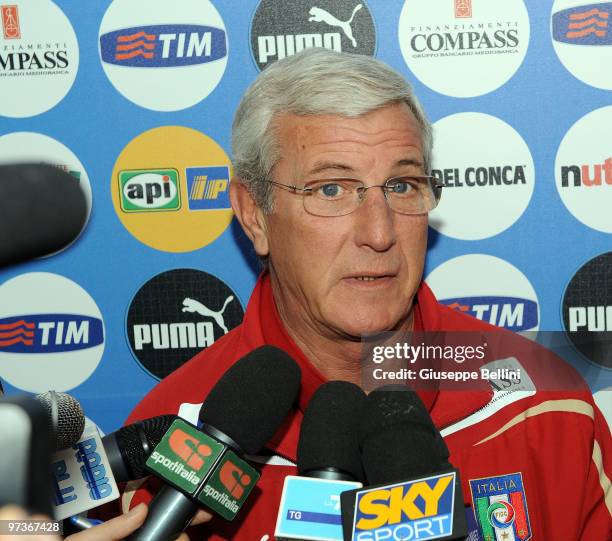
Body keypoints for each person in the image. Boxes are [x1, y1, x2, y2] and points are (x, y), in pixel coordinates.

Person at [122, 48, 611, 540]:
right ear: (254, 214)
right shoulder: (171, 449)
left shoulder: (544, 407)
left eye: (401, 185)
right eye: (331, 189)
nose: (379, 233)